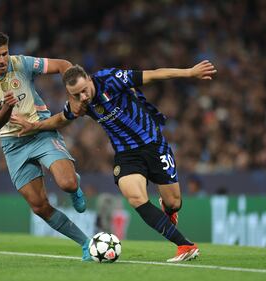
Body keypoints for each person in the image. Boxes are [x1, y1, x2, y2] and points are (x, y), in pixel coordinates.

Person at [11, 60, 217, 262]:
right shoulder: (79, 105)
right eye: (76, 94)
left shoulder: (110, 80)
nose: (83, 97)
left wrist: (189, 72)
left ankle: (169, 208)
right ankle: (185, 246)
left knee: (174, 202)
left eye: (84, 90)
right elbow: (61, 119)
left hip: (154, 145)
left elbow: (153, 74)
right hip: (126, 155)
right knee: (136, 198)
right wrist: (34, 126)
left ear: (89, 80)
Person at [0, 31, 92, 261]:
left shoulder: (22, 63)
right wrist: (6, 107)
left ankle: (75, 186)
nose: (2, 60)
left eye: (5, 53)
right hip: (12, 144)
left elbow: (63, 65)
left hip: (39, 131)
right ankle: (85, 242)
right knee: (39, 206)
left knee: (66, 183)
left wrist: (75, 96)